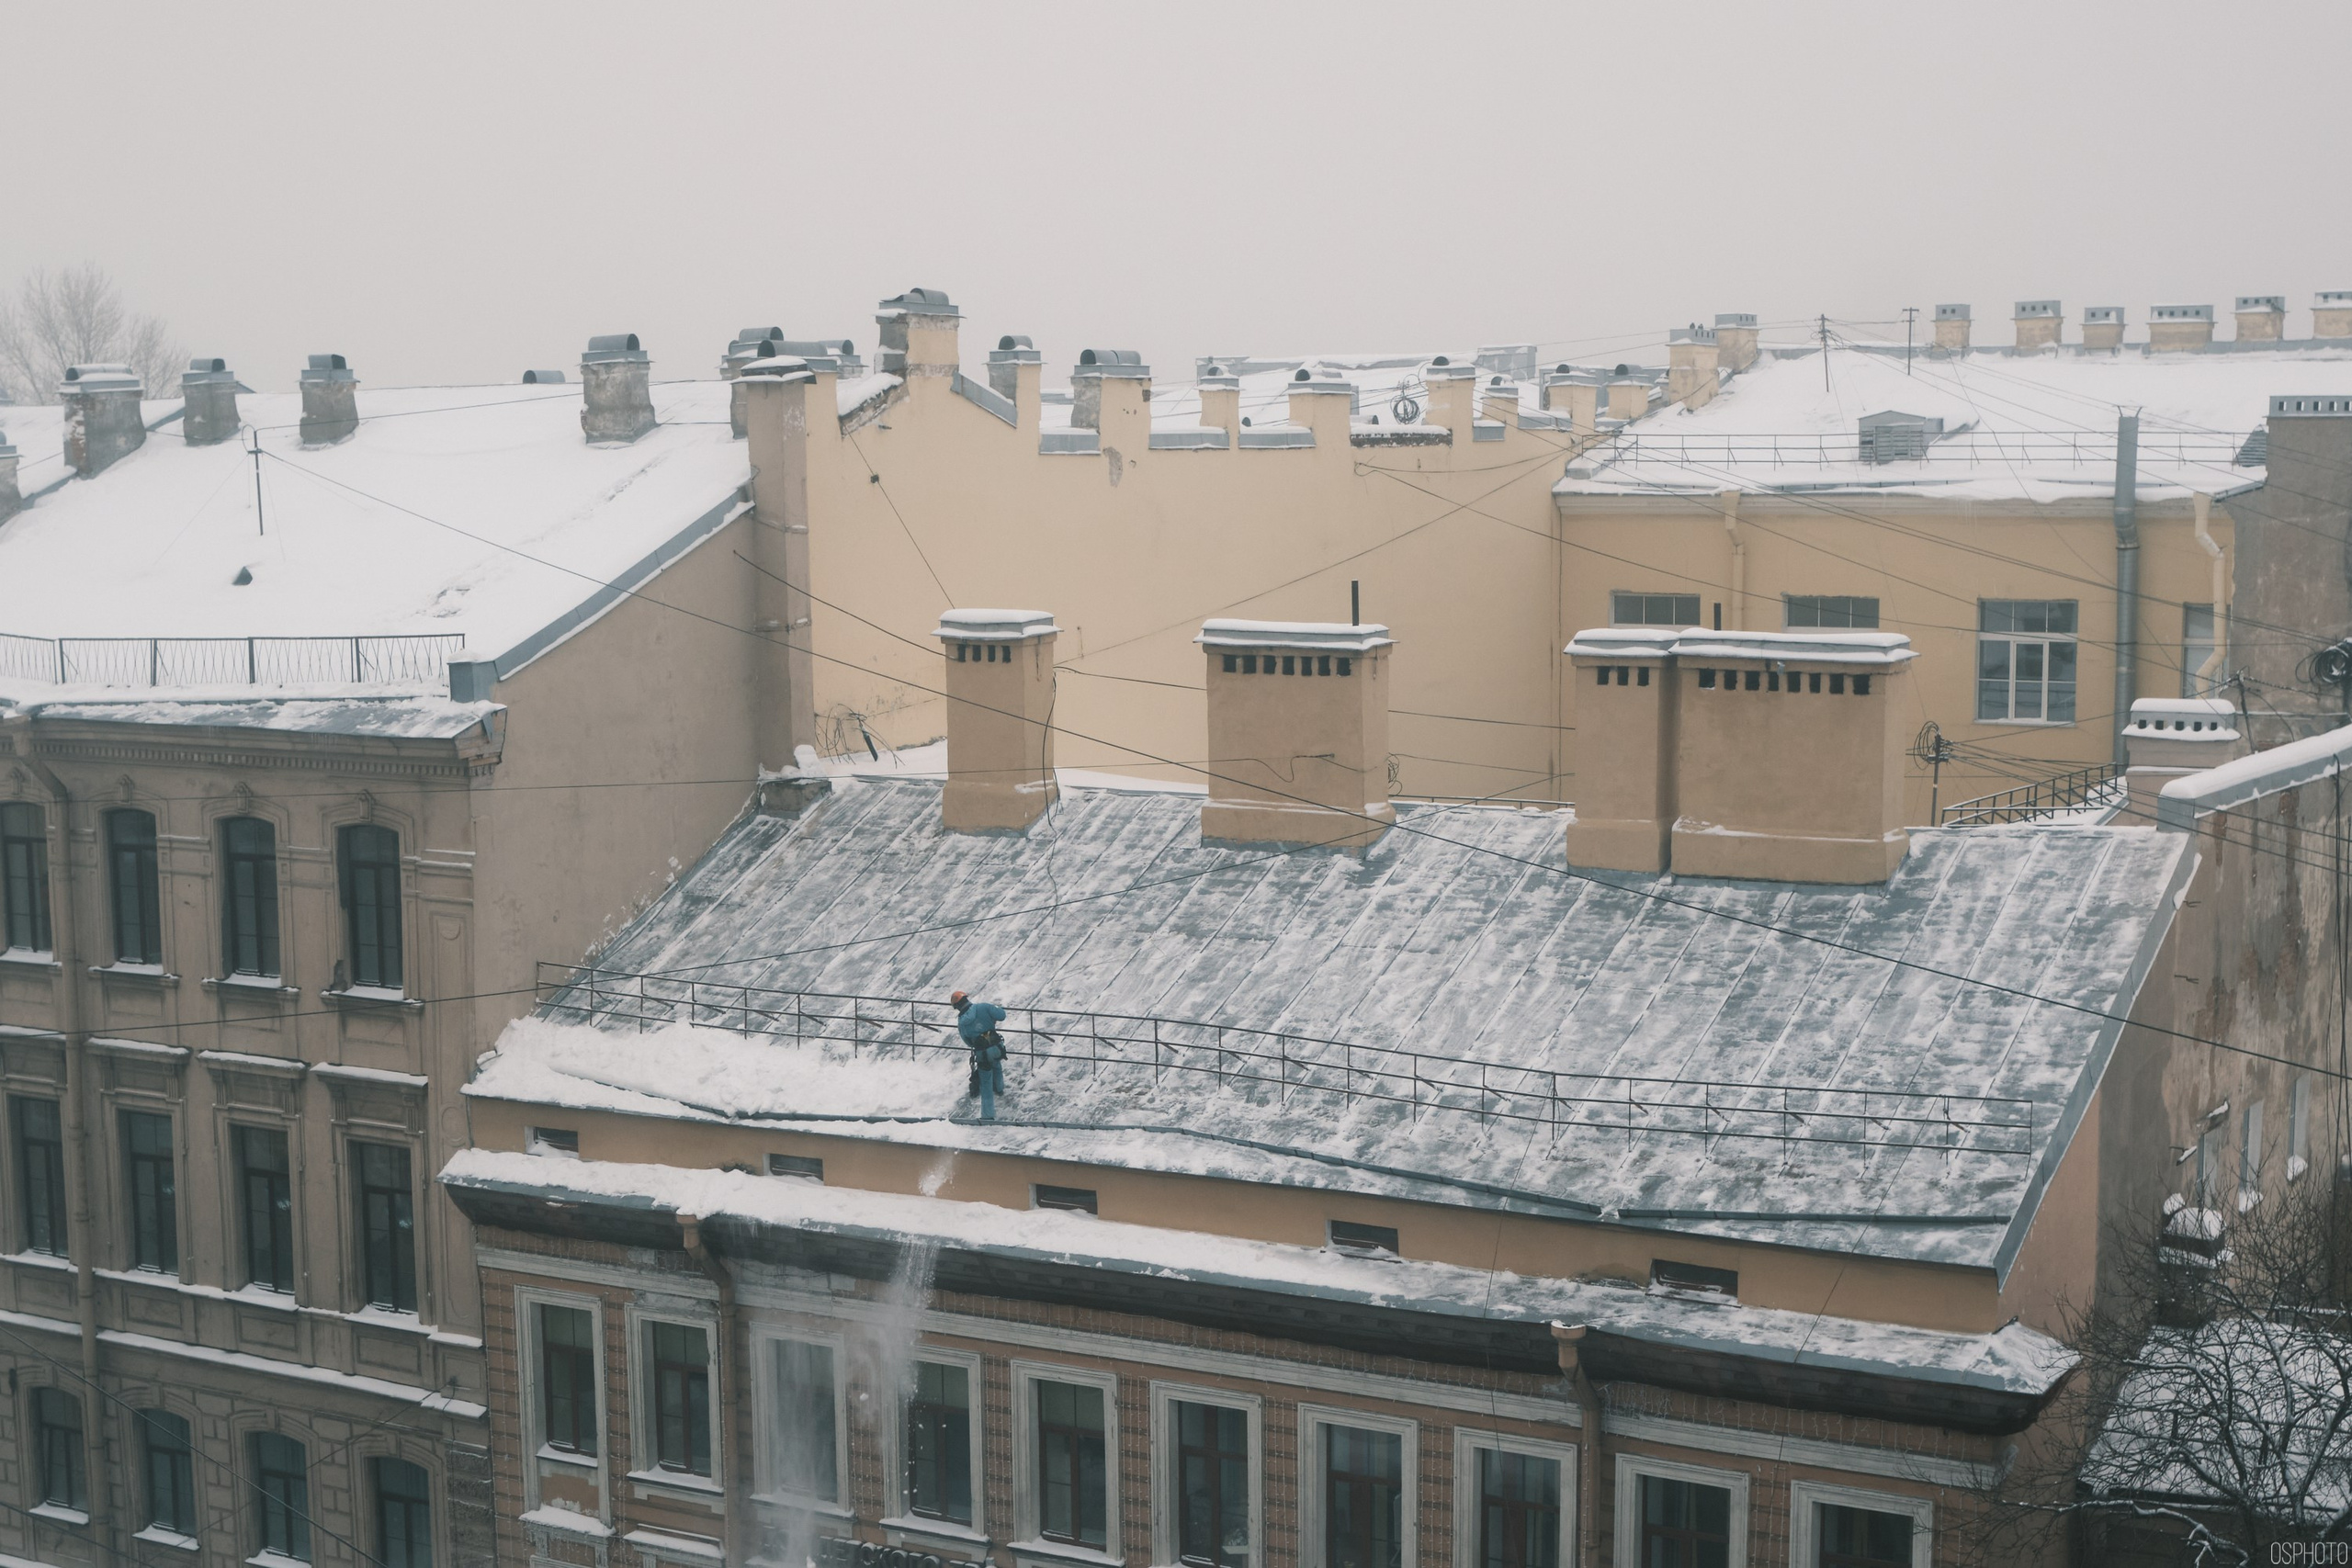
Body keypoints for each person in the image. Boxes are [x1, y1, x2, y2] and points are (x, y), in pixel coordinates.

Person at [952, 990, 1008, 1119]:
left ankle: (988, 1116)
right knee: (997, 1064)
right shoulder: (983, 1006)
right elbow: (1001, 1015)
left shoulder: (961, 1022)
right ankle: (999, 1090)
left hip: (982, 1053)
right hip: (996, 1047)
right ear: (966, 999)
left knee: (985, 1082)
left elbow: (967, 1041)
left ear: (957, 1007)